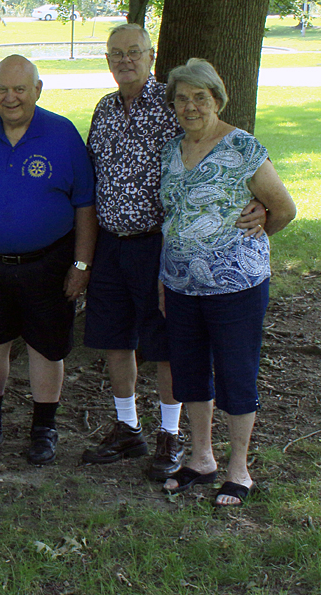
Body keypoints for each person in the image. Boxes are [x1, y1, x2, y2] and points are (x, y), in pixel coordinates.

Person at [80, 24, 266, 480]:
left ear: (150, 55)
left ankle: (170, 434)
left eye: (134, 52)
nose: (125, 61)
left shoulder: (173, 103)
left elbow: (217, 150)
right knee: (115, 338)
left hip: (157, 246)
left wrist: (259, 204)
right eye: (116, 54)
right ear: (107, 60)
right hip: (110, 243)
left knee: (166, 345)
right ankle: (128, 427)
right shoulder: (104, 109)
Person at [0, 56, 96, 465]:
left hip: (49, 264)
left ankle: (44, 429)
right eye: (2, 89)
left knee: (46, 349)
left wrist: (81, 265)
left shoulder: (62, 135)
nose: (10, 97)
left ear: (38, 90)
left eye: (20, 89)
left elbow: (84, 204)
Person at [157, 58, 296, 506]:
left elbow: (285, 209)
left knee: (236, 373)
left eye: (200, 97)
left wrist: (257, 234)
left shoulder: (242, 148)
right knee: (191, 374)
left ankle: (239, 468)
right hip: (179, 285)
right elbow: (173, 218)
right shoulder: (171, 150)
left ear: (217, 100)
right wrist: (164, 278)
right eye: (182, 98)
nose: (191, 106)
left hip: (236, 287)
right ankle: (201, 459)